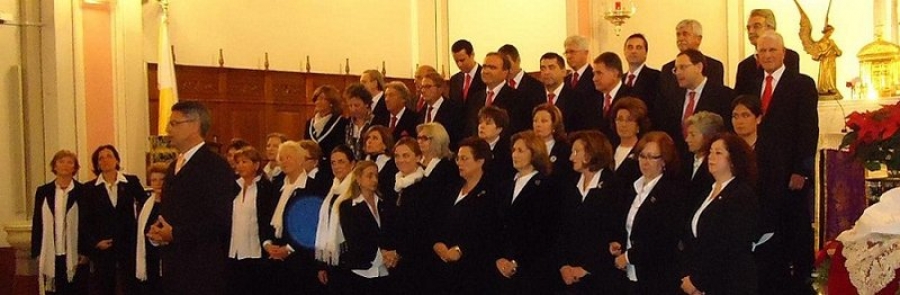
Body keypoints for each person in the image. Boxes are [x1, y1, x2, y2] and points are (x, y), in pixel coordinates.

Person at [749, 31, 819, 295]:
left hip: (790, 171)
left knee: (794, 224)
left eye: (772, 50)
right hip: (760, 169)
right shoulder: (751, 82)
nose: (767, 55)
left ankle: (801, 279)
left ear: (784, 53)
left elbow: (808, 129)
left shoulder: (801, 83)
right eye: (762, 51)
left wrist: (802, 170)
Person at [147, 101, 233, 295]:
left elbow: (219, 221)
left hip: (202, 270)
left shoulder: (215, 167)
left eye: (174, 123)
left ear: (194, 125)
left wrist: (176, 234)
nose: (168, 129)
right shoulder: (173, 166)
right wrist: (159, 231)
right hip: (174, 267)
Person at [680, 133, 759, 295]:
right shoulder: (707, 193)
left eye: (718, 153)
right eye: (710, 152)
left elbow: (730, 244)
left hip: (729, 283)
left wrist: (698, 281)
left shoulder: (741, 194)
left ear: (733, 159)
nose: (711, 157)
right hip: (700, 280)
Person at [611, 131, 686, 294]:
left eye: (652, 157)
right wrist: (619, 244)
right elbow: (629, 226)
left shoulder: (671, 193)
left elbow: (663, 238)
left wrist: (629, 257)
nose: (645, 162)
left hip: (657, 275)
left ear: (664, 160)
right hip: (632, 273)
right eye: (642, 156)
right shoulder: (634, 188)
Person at [557, 131, 628, 294]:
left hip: (600, 279)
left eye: (576, 152)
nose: (570, 157)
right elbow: (560, 229)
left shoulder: (614, 186)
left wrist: (587, 268)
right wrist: (563, 265)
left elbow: (615, 233)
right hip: (568, 277)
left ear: (590, 154)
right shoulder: (570, 185)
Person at [433, 137, 500, 294]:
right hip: (442, 270)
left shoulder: (491, 193)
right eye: (458, 158)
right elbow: (436, 220)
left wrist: (460, 249)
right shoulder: (451, 188)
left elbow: (488, 231)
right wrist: (437, 243)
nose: (459, 163)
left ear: (480, 161)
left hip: (472, 273)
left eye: (464, 158)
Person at [495, 130, 557, 294]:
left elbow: (543, 231)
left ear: (535, 152)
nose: (515, 154)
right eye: (514, 150)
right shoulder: (506, 184)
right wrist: (499, 257)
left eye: (521, 150)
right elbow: (497, 225)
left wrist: (516, 261)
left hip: (531, 269)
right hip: (501, 266)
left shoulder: (545, 186)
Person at [84, 145, 146, 295]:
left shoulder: (131, 182)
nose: (105, 160)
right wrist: (95, 243)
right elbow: (85, 220)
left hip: (128, 245)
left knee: (131, 286)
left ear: (117, 160)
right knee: (104, 287)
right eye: (101, 158)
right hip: (104, 246)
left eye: (109, 156)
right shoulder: (89, 188)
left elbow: (145, 205)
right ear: (97, 164)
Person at [264, 140, 322, 295]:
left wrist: (288, 249)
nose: (284, 162)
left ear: (300, 159)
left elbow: (312, 225)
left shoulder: (312, 187)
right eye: (281, 158)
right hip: (275, 254)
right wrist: (268, 244)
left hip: (299, 257)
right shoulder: (276, 186)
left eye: (288, 157)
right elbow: (266, 217)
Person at [32, 149, 90, 295]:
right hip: (51, 252)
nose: (65, 165)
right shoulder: (43, 191)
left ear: (74, 167)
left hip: (75, 253)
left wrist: (86, 251)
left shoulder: (83, 191)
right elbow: (37, 222)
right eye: (61, 161)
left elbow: (87, 223)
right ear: (55, 166)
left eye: (70, 162)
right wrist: (36, 251)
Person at [336, 161, 399, 294]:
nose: (374, 180)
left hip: (385, 270)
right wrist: (380, 255)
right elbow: (354, 239)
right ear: (358, 179)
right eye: (369, 176)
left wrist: (392, 253)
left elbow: (391, 231)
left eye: (376, 176)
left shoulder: (384, 203)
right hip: (362, 271)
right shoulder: (348, 207)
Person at [658, 49, 734, 158]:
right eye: (676, 69)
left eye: (683, 67)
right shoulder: (672, 96)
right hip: (678, 160)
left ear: (699, 67)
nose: (678, 72)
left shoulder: (724, 95)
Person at [390, 138, 440, 294]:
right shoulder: (395, 185)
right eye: (397, 156)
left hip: (417, 262)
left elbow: (423, 227)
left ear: (418, 157)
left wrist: (399, 252)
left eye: (406, 155)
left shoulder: (426, 188)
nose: (400, 160)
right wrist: (386, 249)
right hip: (393, 261)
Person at [227, 147, 274, 295]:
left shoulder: (266, 188)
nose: (240, 165)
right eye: (238, 162)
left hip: (255, 250)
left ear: (256, 165)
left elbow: (267, 218)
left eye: (244, 162)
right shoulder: (233, 187)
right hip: (234, 250)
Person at [314, 145, 356, 292]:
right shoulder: (332, 190)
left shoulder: (356, 189)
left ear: (352, 164)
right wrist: (322, 265)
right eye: (333, 162)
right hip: (333, 259)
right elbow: (324, 228)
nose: (336, 166)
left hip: (351, 259)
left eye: (341, 161)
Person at [734, 9, 801, 96]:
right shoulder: (744, 66)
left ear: (771, 28)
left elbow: (791, 91)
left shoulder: (789, 57)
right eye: (748, 28)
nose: (751, 31)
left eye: (756, 26)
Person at [465, 52, 532, 137]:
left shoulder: (518, 98)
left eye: (492, 68)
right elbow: (469, 130)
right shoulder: (475, 98)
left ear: (505, 72)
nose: (486, 71)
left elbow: (518, 131)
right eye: (484, 66)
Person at [660, 19, 726, 99]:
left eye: (685, 34)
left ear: (698, 39)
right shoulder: (667, 69)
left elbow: (717, 96)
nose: (680, 38)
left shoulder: (714, 66)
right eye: (678, 35)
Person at [540, 52, 599, 133]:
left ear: (563, 71)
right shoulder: (534, 97)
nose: (546, 72)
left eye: (551, 67)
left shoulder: (578, 99)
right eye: (543, 68)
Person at [135, 162, 168, 295]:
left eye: (162, 179)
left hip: (166, 257)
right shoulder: (147, 204)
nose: (158, 183)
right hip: (150, 257)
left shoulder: (173, 204)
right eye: (154, 180)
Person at [683, 112, 726, 207]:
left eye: (693, 135)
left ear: (708, 137)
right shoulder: (684, 162)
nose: (687, 139)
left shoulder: (717, 166)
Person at [305, 85, 349, 177]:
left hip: (330, 170)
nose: (318, 102)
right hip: (311, 169)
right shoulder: (310, 123)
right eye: (316, 99)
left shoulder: (341, 122)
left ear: (331, 102)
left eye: (322, 99)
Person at [592, 52, 634, 140]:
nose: (594, 78)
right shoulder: (592, 98)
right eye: (594, 73)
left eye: (599, 73)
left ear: (615, 74)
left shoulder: (631, 97)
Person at [610, 97, 650, 185]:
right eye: (620, 119)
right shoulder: (608, 150)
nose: (623, 124)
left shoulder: (642, 152)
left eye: (629, 120)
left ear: (639, 125)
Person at [418, 72, 464, 148]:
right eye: (422, 87)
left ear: (440, 89)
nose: (423, 90)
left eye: (428, 87)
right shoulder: (420, 112)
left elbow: (456, 137)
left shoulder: (454, 110)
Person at [622, 33, 661, 119]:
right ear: (624, 52)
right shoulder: (620, 79)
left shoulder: (656, 77)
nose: (633, 51)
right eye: (630, 47)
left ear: (645, 53)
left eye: (638, 47)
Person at [532, 103, 574, 183]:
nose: (538, 124)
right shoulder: (527, 146)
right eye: (535, 121)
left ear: (554, 124)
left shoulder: (564, 149)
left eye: (544, 121)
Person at [478, 106, 515, 188]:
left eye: (488, 123)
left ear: (499, 129)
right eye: (480, 122)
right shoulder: (472, 147)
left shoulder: (507, 152)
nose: (482, 126)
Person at [417, 123, 460, 193]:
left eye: (424, 138)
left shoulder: (447, 167)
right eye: (419, 138)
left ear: (437, 140)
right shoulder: (416, 161)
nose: (419, 141)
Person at [364, 125, 399, 204]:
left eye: (375, 138)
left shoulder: (392, 166)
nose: (369, 141)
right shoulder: (362, 162)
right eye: (368, 138)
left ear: (385, 144)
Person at [344, 83, 376, 160]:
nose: (353, 109)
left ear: (367, 104)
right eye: (350, 106)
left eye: (357, 105)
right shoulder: (346, 124)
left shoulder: (375, 122)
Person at [449, 39, 486, 104]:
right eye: (456, 61)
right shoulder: (454, 80)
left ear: (472, 55)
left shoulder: (485, 76)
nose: (459, 64)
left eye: (462, 60)